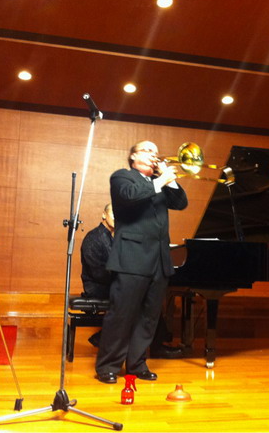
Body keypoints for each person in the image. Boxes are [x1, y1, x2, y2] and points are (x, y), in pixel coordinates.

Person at [94, 140, 188, 384]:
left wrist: (170, 180)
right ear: (133, 156)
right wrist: (160, 181)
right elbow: (130, 197)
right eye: (147, 151)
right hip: (132, 259)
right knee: (121, 315)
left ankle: (136, 365)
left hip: (159, 260)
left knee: (149, 317)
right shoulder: (122, 177)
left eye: (155, 152)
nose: (153, 155)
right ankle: (108, 366)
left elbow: (181, 203)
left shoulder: (160, 183)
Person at [81, 203, 185, 358]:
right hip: (97, 287)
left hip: (113, 284)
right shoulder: (93, 238)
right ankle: (154, 347)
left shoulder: (116, 238)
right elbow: (98, 273)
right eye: (114, 213)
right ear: (103, 215)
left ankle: (109, 338)